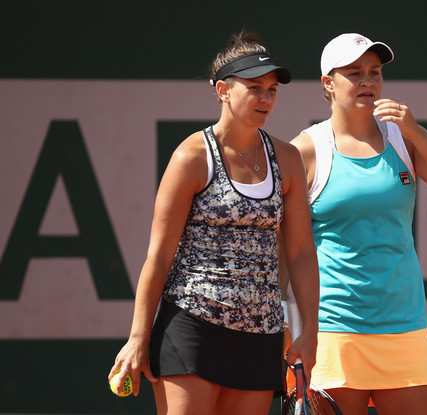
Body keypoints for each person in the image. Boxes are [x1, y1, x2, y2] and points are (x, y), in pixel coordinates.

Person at [108, 31, 319, 415]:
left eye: (272, 90)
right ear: (223, 89)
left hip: (261, 335)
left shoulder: (287, 159)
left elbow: (302, 252)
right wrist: (138, 336)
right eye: (255, 88)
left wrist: (310, 332)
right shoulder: (191, 157)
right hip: (192, 325)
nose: (266, 98)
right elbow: (158, 255)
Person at [290, 33, 427, 415]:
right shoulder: (306, 150)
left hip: (406, 328)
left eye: (374, 73)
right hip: (334, 332)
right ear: (328, 83)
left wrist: (416, 132)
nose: (368, 82)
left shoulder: (404, 140)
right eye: (355, 73)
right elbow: (286, 248)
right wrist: (288, 329)